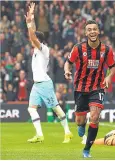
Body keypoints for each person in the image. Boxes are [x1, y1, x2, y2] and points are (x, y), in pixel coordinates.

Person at [64, 20, 115, 158]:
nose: (92, 31)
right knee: (80, 121)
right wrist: (67, 71)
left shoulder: (107, 50)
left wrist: (109, 78)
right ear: (86, 33)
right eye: (89, 30)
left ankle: (87, 149)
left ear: (98, 31)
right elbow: (68, 63)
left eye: (94, 29)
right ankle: (82, 124)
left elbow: (112, 67)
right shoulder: (78, 48)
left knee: (95, 116)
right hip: (80, 88)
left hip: (97, 87)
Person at [25, 2, 72, 143]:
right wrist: (31, 17)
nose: (31, 41)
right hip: (36, 85)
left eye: (34, 39)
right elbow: (33, 33)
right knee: (31, 109)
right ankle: (39, 135)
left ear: (39, 40)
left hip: (45, 84)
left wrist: (28, 25)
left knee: (56, 109)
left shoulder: (44, 49)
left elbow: (32, 36)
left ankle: (67, 132)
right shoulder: (36, 48)